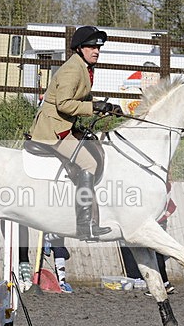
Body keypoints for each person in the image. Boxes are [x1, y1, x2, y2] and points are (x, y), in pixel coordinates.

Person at [28, 25, 122, 240]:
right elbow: (65, 105)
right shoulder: (72, 69)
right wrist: (94, 108)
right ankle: (85, 226)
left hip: (64, 124)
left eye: (98, 47)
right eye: (91, 47)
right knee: (89, 163)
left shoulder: (84, 66)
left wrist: (104, 106)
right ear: (80, 48)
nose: (96, 51)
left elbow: (81, 99)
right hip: (53, 129)